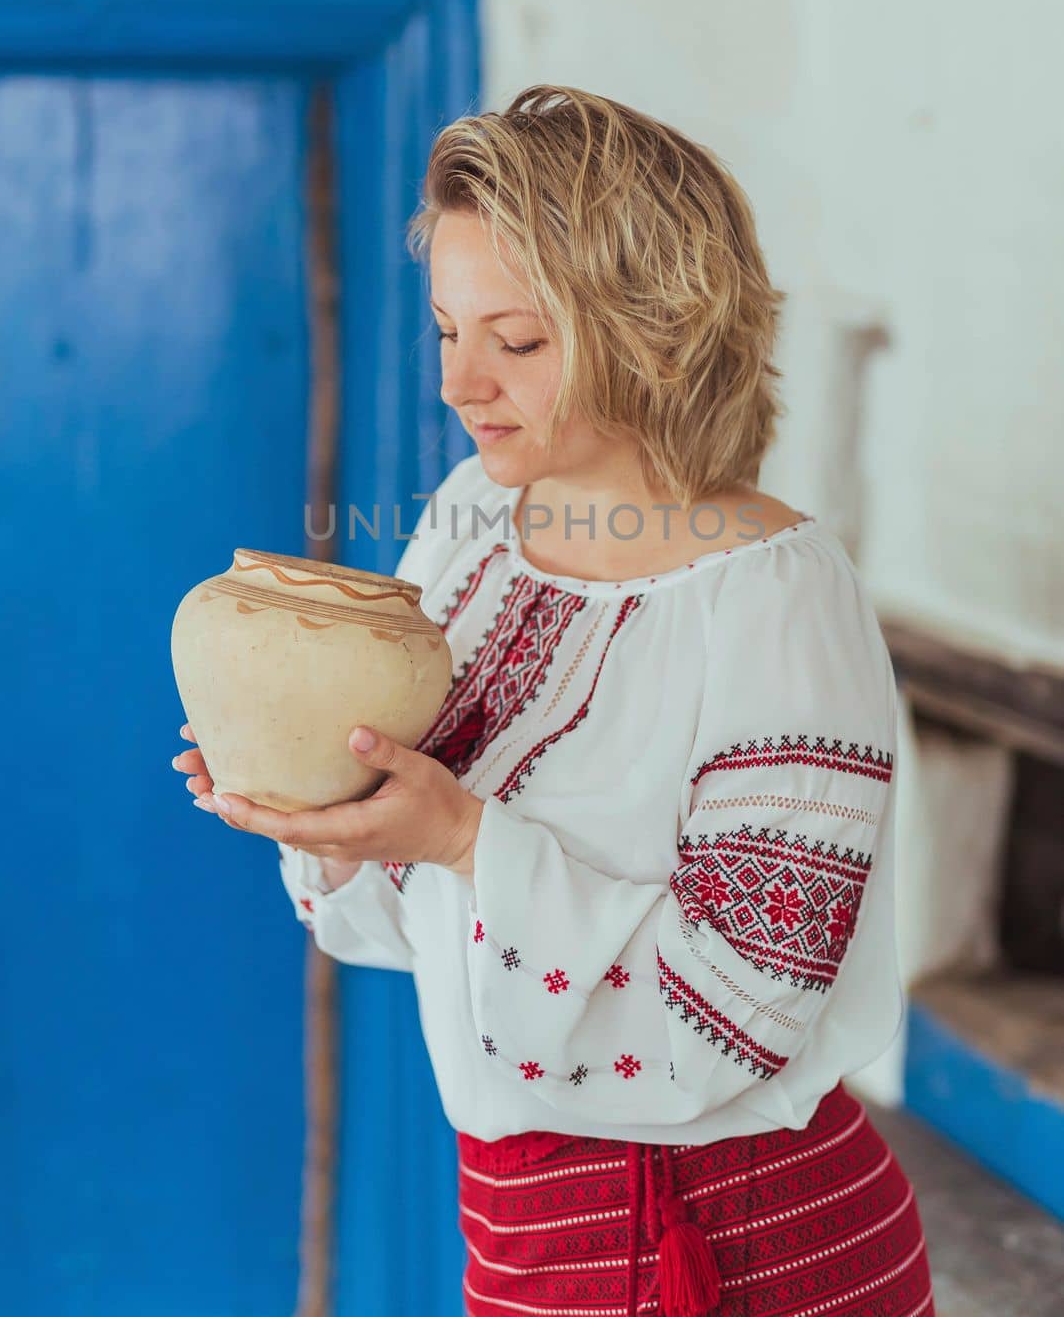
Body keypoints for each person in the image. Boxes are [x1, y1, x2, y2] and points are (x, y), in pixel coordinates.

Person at [173, 85, 936, 1316]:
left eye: (515, 341)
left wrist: (464, 838)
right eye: (443, 332)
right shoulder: (468, 522)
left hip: (733, 1253)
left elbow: (744, 1004)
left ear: (652, 326)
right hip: (523, 1237)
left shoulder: (772, 598)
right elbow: (390, 926)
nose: (459, 384)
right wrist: (310, 797)